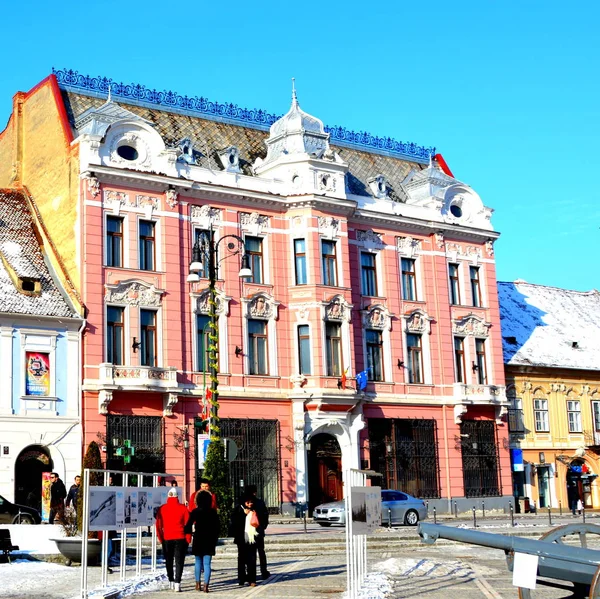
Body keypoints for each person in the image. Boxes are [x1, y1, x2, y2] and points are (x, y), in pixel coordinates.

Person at [156, 487, 191, 592]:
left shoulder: (162, 508)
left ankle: (171, 580)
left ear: (168, 496)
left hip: (167, 537)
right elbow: (188, 525)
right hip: (180, 537)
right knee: (179, 561)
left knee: (169, 560)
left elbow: (158, 525)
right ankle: (177, 583)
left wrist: (160, 538)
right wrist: (188, 538)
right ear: (177, 497)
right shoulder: (183, 508)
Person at [185, 491, 220, 592]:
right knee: (207, 564)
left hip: (198, 538)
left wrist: (189, 532)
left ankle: (197, 584)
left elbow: (188, 526)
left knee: (197, 562)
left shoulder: (195, 511)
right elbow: (218, 528)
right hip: (210, 539)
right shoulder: (213, 512)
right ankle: (206, 586)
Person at [230, 494, 261, 587]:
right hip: (241, 538)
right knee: (242, 559)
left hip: (253, 538)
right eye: (248, 502)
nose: (250, 504)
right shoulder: (238, 509)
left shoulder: (256, 509)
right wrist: (243, 514)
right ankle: (242, 578)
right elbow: (234, 522)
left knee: (252, 559)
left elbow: (262, 522)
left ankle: (252, 579)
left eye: (251, 502)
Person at [246, 484, 270, 580]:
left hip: (248, 531)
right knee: (261, 551)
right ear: (255, 492)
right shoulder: (260, 503)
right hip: (259, 530)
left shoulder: (245, 503)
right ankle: (264, 571)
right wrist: (263, 526)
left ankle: (250, 573)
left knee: (250, 553)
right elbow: (265, 516)